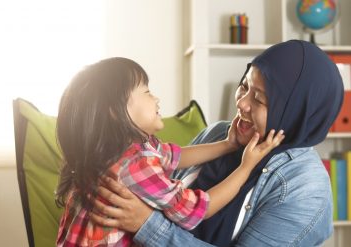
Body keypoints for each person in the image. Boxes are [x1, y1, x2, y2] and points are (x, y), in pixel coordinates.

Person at [90, 40, 344, 246]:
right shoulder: (219, 134)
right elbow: (162, 185)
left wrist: (146, 225)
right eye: (244, 86)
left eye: (259, 99)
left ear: (295, 114)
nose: (242, 103)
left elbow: (161, 214)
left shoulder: (305, 190)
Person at [55, 57, 285, 246]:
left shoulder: (120, 152)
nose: (155, 98)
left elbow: (175, 156)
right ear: (115, 111)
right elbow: (198, 209)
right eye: (146, 92)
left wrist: (228, 144)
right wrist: (246, 167)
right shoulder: (136, 165)